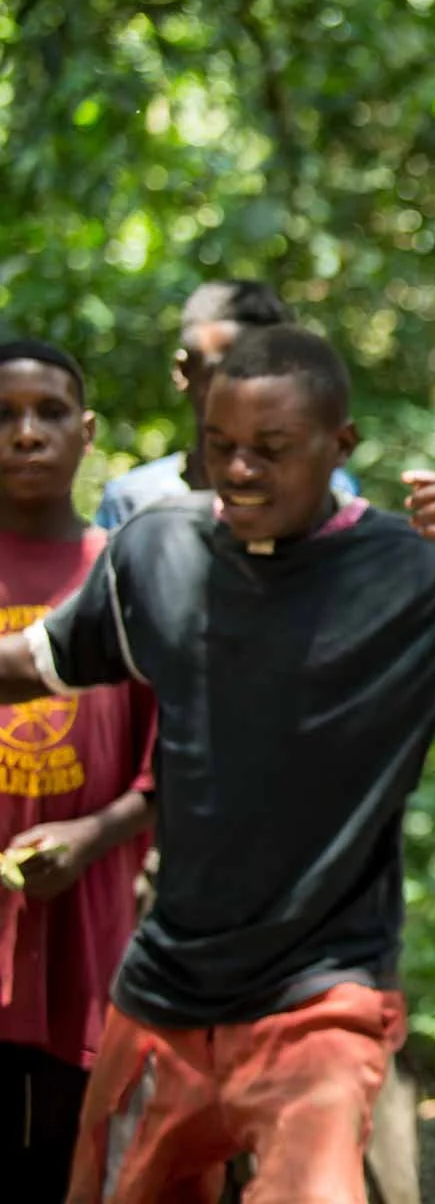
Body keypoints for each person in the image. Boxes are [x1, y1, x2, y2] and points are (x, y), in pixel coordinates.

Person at [0, 324, 435, 1202]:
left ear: (341, 446)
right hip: (164, 993)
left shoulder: (414, 575)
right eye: (221, 447)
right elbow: (33, 665)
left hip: (323, 999)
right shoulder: (157, 551)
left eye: (271, 450)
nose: (240, 471)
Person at [0, 341, 156, 1202]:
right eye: (5, 416)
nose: (26, 434)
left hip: (82, 921)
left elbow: (166, 764)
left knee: (68, 1158)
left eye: (50, 413)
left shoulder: (125, 574)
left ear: (86, 431)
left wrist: (93, 834)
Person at [94, 280, 357, 529]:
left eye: (267, 372)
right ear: (185, 372)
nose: (246, 393)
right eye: (225, 371)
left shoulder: (330, 491)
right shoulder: (135, 501)